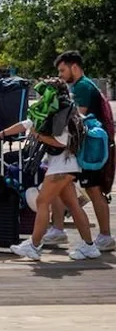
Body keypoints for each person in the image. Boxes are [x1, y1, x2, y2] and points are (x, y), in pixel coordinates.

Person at [0, 78, 99, 261]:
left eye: (44, 93)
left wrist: (38, 136)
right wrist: (0, 134)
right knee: (73, 205)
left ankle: (33, 246)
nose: (41, 97)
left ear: (53, 94)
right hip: (65, 166)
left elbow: (61, 142)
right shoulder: (55, 110)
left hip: (62, 167)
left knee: (42, 202)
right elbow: (27, 123)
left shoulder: (63, 113)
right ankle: (90, 247)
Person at [55, 51, 114, 251]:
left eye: (62, 70)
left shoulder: (82, 87)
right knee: (81, 187)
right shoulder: (85, 85)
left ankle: (105, 236)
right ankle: (58, 229)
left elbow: (76, 117)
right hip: (91, 147)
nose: (61, 75)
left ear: (74, 67)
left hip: (91, 148)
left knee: (94, 190)